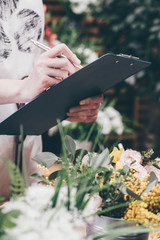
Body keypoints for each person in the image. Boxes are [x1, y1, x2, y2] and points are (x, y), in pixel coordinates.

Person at [0, 0, 103, 199]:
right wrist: (23, 88)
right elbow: (24, 86)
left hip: (26, 161)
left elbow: (27, 79)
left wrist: (67, 102)